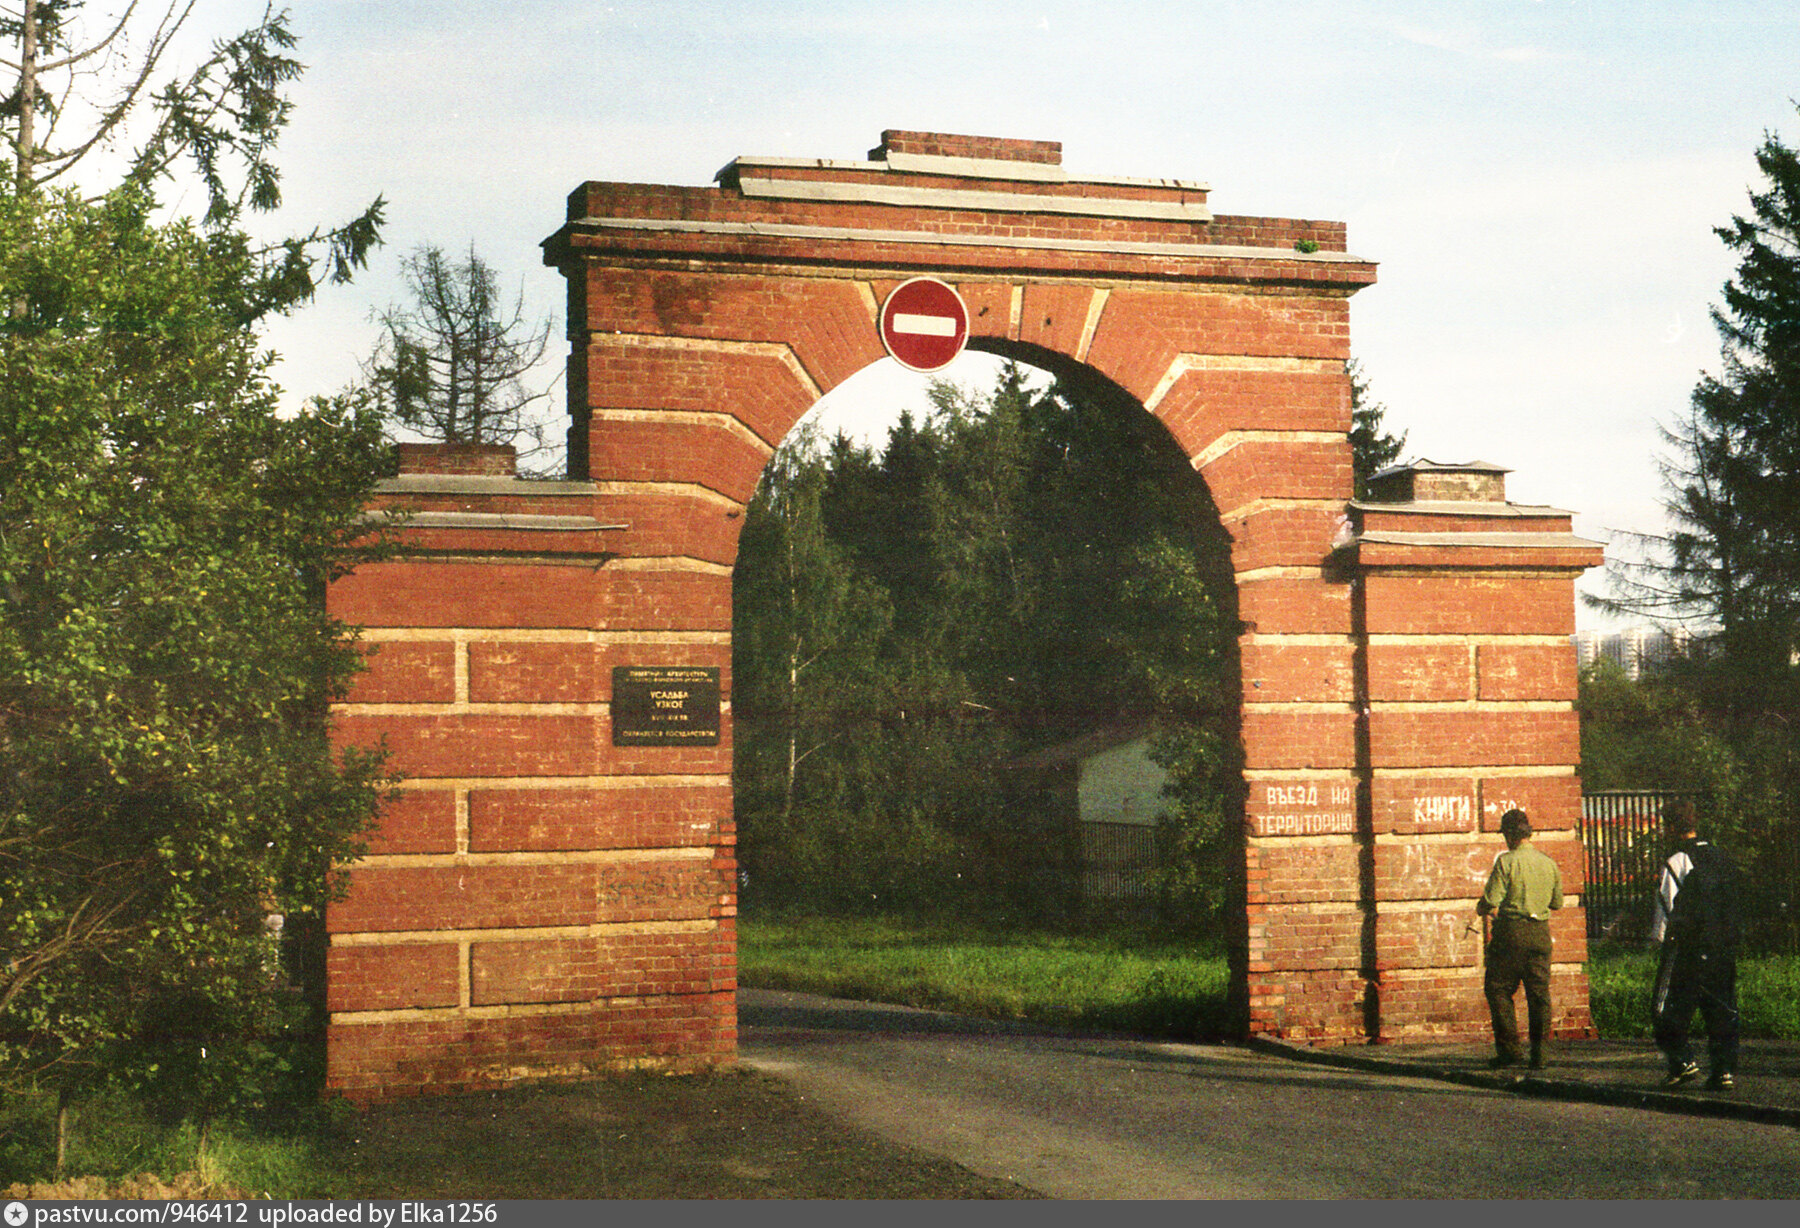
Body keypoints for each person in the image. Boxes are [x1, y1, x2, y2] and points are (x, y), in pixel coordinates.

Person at [1649, 799, 1741, 1091]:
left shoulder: (1676, 861)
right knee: (1721, 1007)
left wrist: (1659, 941)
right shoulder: (1721, 856)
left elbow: (1667, 907)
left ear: (1672, 827)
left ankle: (1682, 1062)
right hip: (1721, 945)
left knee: (1666, 1007)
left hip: (1686, 947)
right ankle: (1723, 1070)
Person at [1476, 808, 1563, 1069]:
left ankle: (1510, 1050)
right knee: (1539, 995)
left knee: (1498, 989)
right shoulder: (1549, 862)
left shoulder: (1506, 861)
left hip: (1511, 934)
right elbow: (1556, 903)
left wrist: (1482, 908)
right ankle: (1540, 1055)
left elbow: (1492, 899)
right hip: (1540, 934)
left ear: (1511, 835)